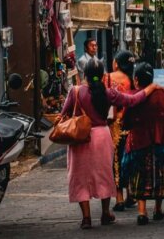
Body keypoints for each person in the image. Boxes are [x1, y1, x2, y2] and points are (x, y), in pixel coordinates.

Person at [59, 59, 154, 230]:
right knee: (104, 174)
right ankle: (105, 213)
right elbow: (132, 100)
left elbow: (63, 114)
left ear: (84, 74)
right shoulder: (109, 93)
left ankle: (86, 218)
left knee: (79, 175)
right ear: (103, 75)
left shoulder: (75, 91)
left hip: (81, 136)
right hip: (102, 135)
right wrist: (150, 89)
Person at [120, 62, 164, 225]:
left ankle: (142, 211)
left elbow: (125, 122)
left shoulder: (133, 95)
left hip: (139, 141)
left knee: (139, 174)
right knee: (161, 173)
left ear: (136, 79)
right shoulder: (162, 93)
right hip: (162, 140)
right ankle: (158, 209)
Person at [105, 49, 137, 212]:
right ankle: (132, 193)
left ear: (116, 63)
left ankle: (119, 198)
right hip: (130, 125)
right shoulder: (133, 80)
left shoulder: (108, 78)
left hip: (113, 126)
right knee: (130, 158)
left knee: (115, 160)